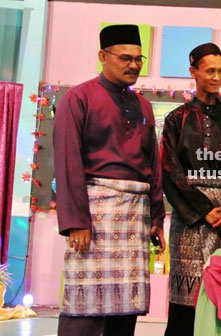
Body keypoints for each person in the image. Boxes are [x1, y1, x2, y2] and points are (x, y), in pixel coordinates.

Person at [53, 24, 165, 336]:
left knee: (126, 307)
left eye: (139, 59)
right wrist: (76, 221)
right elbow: (67, 161)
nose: (133, 65)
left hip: (134, 215)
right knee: (85, 304)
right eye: (125, 58)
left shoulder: (143, 105)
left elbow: (152, 164)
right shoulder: (78, 98)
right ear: (103, 56)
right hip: (95, 214)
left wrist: (156, 217)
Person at [161, 42, 221, 335]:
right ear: (194, 72)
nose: (216, 77)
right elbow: (170, 171)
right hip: (191, 223)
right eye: (210, 70)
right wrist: (205, 211)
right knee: (186, 304)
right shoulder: (176, 119)